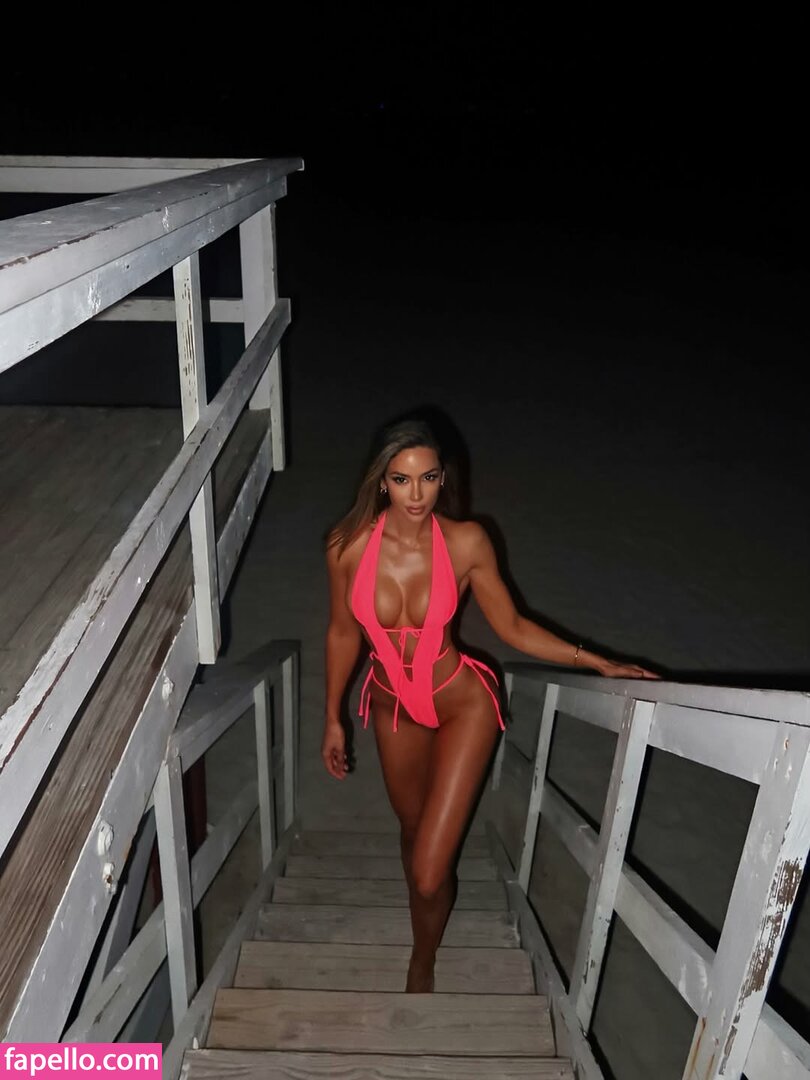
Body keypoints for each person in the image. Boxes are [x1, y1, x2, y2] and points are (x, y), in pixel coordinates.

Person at [323, 418, 658, 992]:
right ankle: (423, 917)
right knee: (412, 832)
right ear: (381, 481)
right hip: (391, 707)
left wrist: (597, 661)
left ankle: (423, 957)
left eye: (428, 478)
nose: (417, 494)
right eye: (401, 480)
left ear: (442, 477)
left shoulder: (466, 541)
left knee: (429, 872)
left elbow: (514, 627)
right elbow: (341, 633)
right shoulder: (345, 546)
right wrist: (332, 716)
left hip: (462, 703)